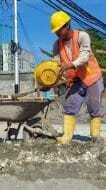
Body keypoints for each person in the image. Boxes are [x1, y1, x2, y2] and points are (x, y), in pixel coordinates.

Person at [50, 11, 104, 144]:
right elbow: (57, 64)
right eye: (55, 31)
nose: (57, 33)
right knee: (70, 104)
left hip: (92, 77)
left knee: (94, 105)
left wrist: (70, 65)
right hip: (77, 80)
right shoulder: (57, 45)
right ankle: (67, 137)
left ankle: (95, 136)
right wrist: (54, 77)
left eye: (59, 29)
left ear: (67, 25)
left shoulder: (82, 36)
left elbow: (84, 58)